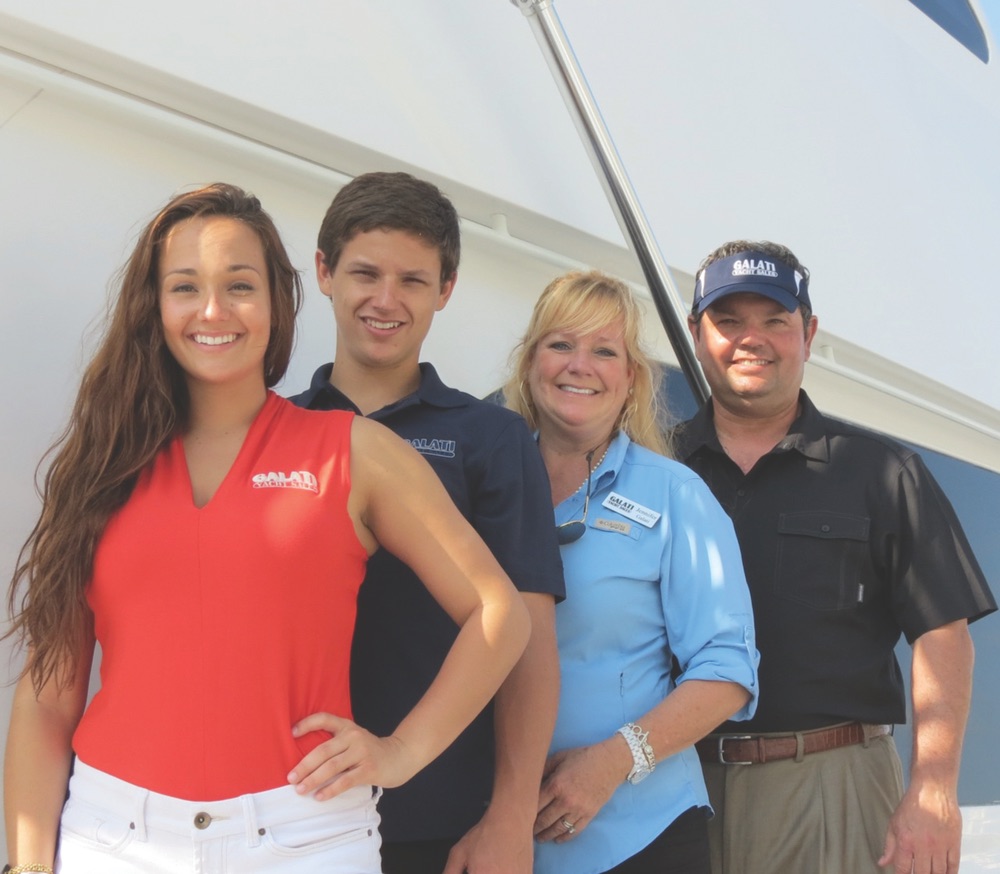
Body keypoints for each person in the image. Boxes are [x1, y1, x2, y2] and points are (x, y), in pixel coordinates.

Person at [2, 183, 530, 874]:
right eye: (186, 286)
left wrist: (401, 751)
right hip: (113, 835)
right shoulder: (103, 463)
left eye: (240, 285)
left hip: (301, 836)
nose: (214, 311)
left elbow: (500, 613)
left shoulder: (353, 451)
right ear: (154, 306)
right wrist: (26, 864)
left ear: (280, 300)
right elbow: (47, 696)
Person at [675, 240, 997, 874]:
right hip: (671, 790)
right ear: (696, 332)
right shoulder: (651, 467)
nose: (752, 339)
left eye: (775, 320)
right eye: (729, 320)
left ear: (809, 332)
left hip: (831, 786)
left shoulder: (882, 472)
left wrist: (933, 789)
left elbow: (942, 633)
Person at [287, 171, 564, 874]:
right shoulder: (274, 430)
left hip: (439, 817)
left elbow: (526, 642)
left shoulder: (492, 439)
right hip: (288, 808)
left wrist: (509, 817)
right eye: (364, 274)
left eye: (413, 280)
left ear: (446, 289)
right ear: (323, 272)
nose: (386, 300)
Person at [503, 270, 759, 874]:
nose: (579, 365)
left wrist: (609, 764)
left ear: (631, 378)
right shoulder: (483, 486)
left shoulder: (676, 496)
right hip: (495, 831)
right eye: (560, 344)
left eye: (604, 350)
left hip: (637, 834)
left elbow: (728, 670)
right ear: (531, 362)